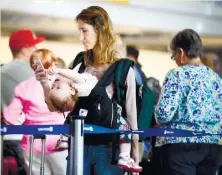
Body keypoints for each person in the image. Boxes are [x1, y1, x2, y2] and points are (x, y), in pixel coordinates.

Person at [34, 6, 140, 175]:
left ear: (100, 30)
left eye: (84, 31)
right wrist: (45, 84)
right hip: (78, 147)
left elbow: (131, 114)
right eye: (79, 31)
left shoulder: (123, 69)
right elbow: (57, 106)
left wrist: (135, 152)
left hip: (109, 151)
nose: (81, 37)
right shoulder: (78, 63)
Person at [155, 29, 222, 175]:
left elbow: (163, 114)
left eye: (174, 56)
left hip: (182, 146)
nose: (176, 62)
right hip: (212, 147)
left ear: (181, 52)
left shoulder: (177, 75)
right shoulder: (215, 78)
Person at [3, 49, 68, 175]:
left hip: (32, 144)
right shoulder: (62, 84)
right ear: (53, 63)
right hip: (60, 142)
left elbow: (9, 118)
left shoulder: (24, 86)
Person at [1, 29, 45, 175]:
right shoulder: (27, 71)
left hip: (6, 138)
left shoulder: (3, 71)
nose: (36, 51)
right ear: (25, 50)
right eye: (34, 47)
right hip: (23, 140)